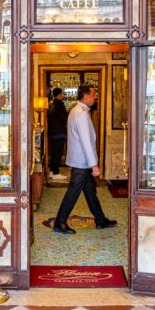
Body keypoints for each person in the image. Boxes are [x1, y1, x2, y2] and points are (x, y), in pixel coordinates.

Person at [53, 84, 116, 234]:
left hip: (82, 161)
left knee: (90, 191)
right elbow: (86, 141)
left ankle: (100, 220)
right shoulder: (81, 113)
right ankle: (59, 222)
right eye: (94, 94)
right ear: (86, 96)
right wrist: (94, 164)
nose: (95, 97)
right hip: (82, 162)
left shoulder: (77, 110)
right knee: (73, 192)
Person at [46, 87, 68, 181]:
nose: (63, 95)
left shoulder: (51, 105)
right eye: (62, 94)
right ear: (58, 95)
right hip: (59, 132)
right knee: (58, 153)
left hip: (53, 132)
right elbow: (64, 118)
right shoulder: (59, 105)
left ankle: (51, 171)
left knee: (54, 152)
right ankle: (56, 172)